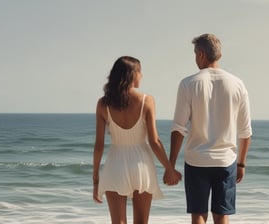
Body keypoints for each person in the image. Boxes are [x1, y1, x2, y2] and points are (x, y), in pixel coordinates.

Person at [164, 34, 252, 224]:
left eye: (195, 54)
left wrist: (171, 164)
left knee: (198, 215)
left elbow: (179, 129)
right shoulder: (237, 84)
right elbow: (245, 132)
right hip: (225, 161)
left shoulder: (189, 83)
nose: (195, 59)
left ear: (201, 54)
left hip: (197, 160)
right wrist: (241, 164)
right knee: (222, 215)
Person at [93, 56, 181, 224]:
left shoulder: (103, 104)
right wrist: (170, 169)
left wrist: (96, 179)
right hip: (141, 165)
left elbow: (99, 145)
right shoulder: (146, 101)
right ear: (132, 75)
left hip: (115, 164)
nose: (142, 75)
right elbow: (154, 141)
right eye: (140, 72)